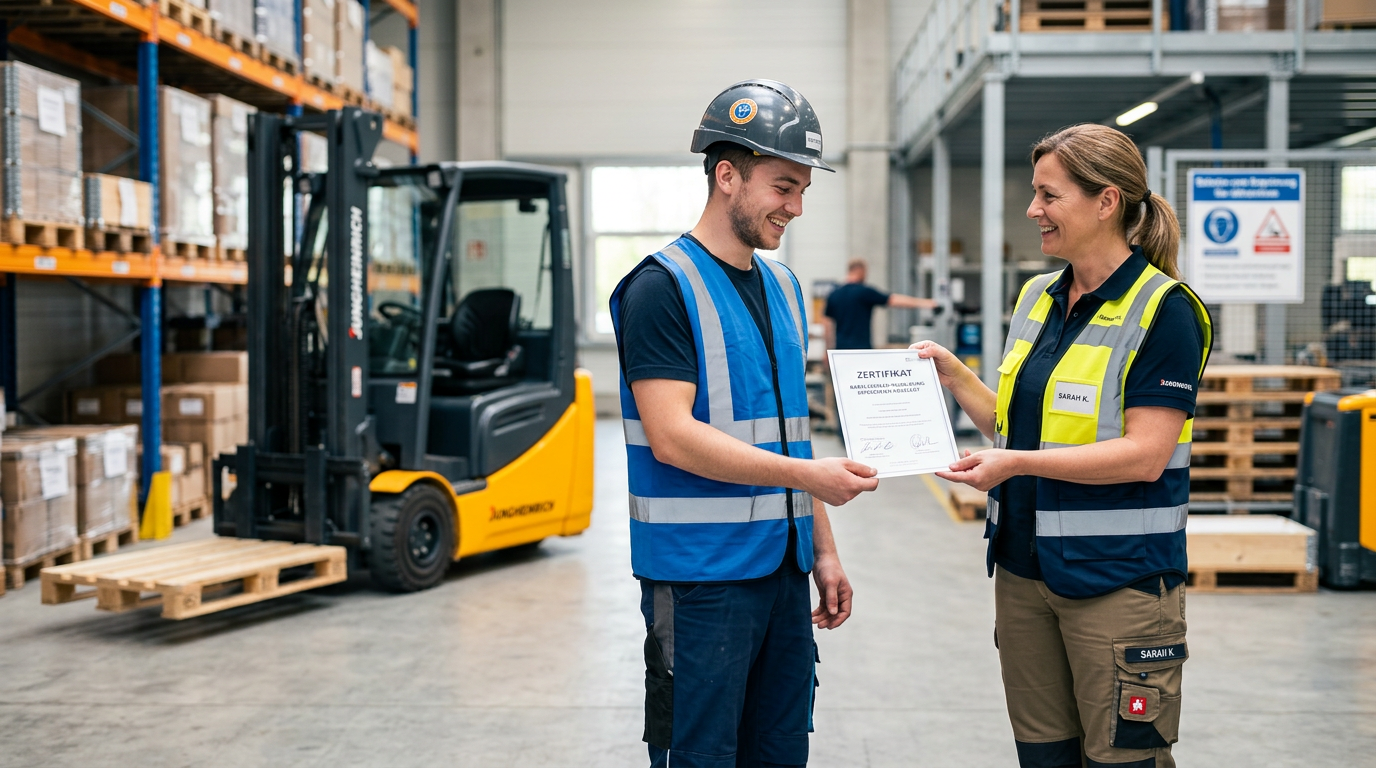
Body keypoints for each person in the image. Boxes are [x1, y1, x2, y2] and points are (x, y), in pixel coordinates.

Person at [913, 123, 1212, 768]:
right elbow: (1018, 430)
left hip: (1117, 580)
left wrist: (1014, 464)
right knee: (1044, 757)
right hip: (1024, 571)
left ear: (1106, 201)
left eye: (1048, 195)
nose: (1033, 210)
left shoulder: (1164, 311)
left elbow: (1145, 453)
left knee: (1123, 761)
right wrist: (955, 375)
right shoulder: (1037, 298)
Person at [610, 79, 879, 768]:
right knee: (701, 756)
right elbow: (671, 435)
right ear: (727, 175)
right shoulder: (659, 288)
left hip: (782, 570)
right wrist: (809, 478)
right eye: (783, 186)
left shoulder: (785, 287)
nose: (795, 207)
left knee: (779, 751)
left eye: (803, 191)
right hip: (701, 580)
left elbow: (792, 432)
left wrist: (822, 547)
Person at [824, 258, 939, 351]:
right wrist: (927, 303)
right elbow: (894, 300)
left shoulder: (834, 294)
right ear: (861, 271)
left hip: (840, 351)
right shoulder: (864, 292)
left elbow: (827, 324)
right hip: (861, 350)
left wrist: (827, 350)